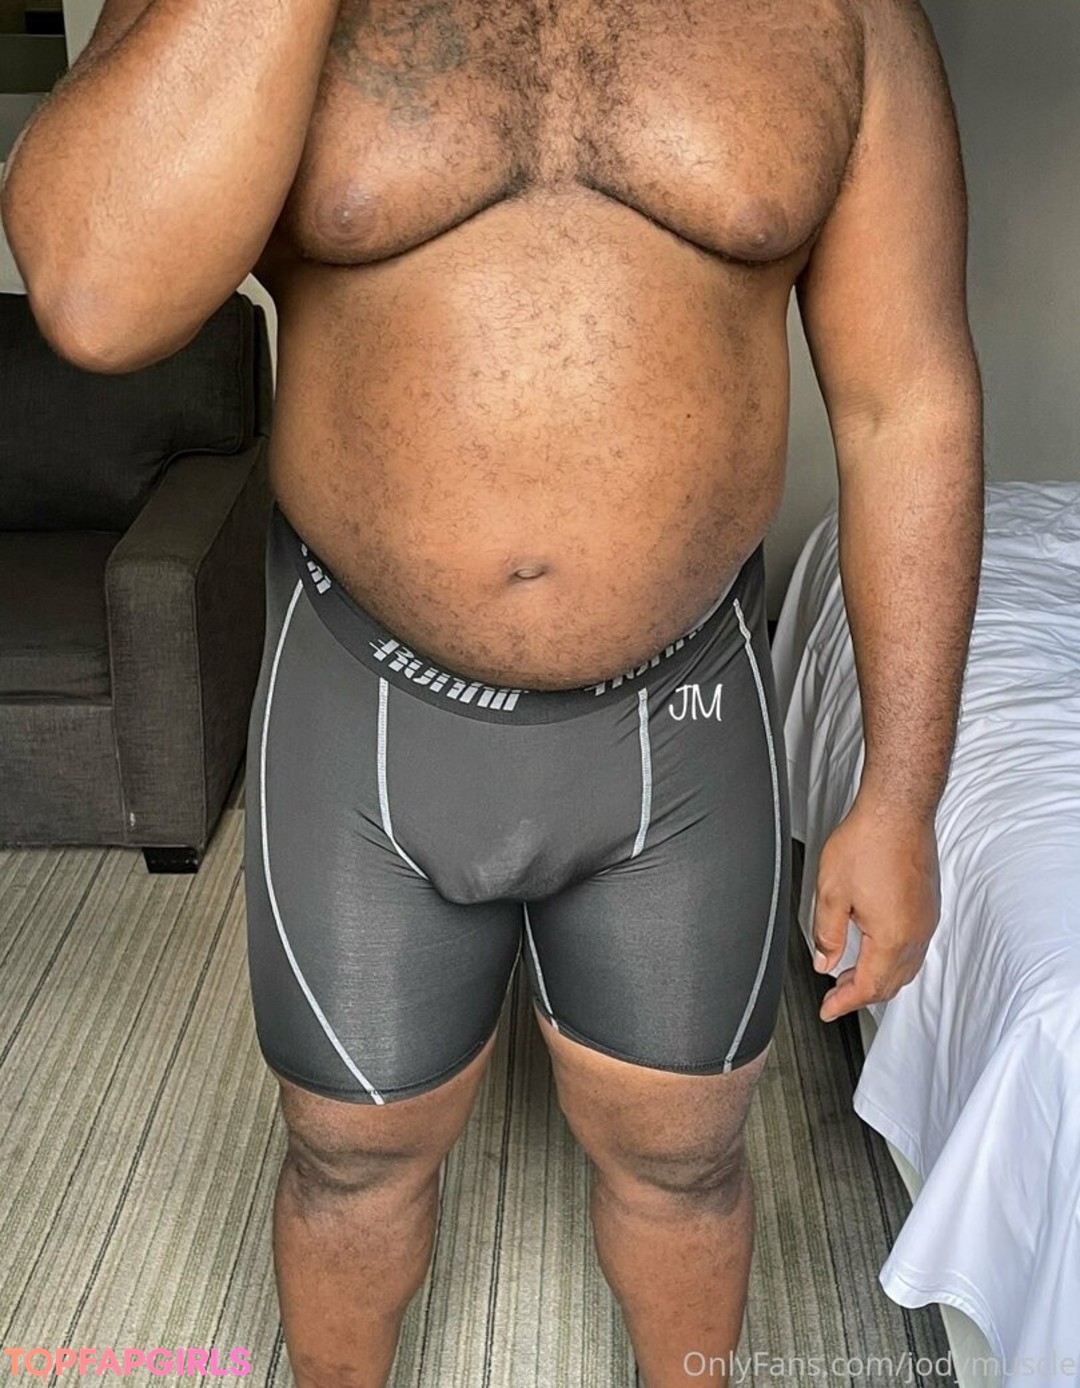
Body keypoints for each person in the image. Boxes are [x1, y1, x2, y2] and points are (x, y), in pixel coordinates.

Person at [0, 0, 983, 1383]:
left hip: (681, 724)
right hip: (368, 713)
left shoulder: (847, 18)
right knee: (349, 1162)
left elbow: (906, 402)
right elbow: (92, 298)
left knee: (686, 1163)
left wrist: (903, 790)